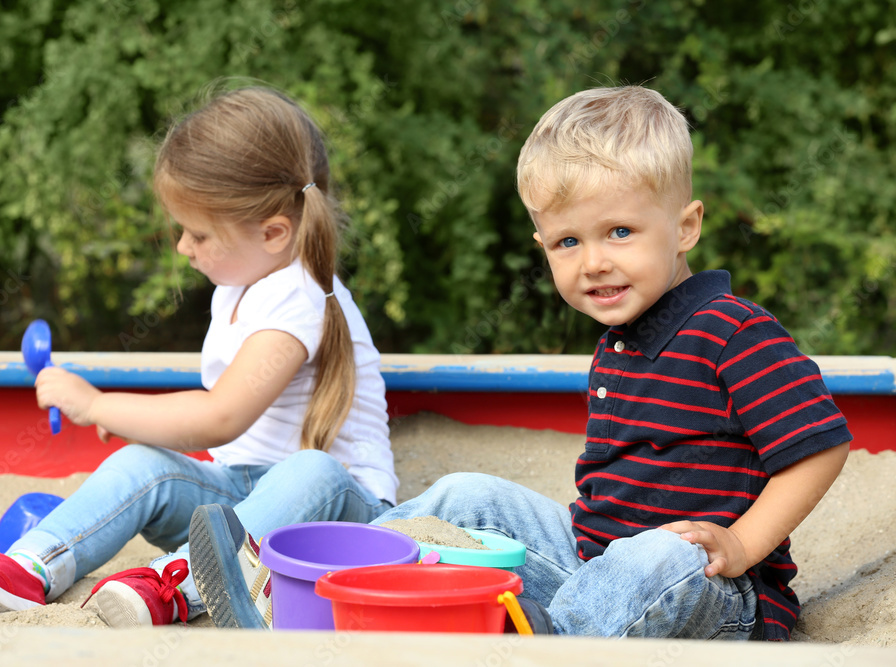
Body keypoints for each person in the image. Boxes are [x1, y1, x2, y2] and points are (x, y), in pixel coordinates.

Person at [188, 85, 851, 640]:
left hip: (715, 587)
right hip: (589, 563)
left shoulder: (733, 331)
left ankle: (539, 641)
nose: (594, 260)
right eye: (568, 241)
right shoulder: (620, 341)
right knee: (465, 492)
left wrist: (740, 545)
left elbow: (819, 447)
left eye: (620, 231)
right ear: (542, 245)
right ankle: (316, 587)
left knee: (659, 552)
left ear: (685, 226)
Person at [0, 86, 398, 628]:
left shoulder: (299, 295)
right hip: (244, 498)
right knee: (141, 463)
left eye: (198, 234)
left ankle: (177, 584)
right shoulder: (239, 287)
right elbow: (214, 439)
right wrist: (137, 425)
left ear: (273, 232)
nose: (181, 247)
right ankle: (30, 567)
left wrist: (99, 405)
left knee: (312, 471)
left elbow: (219, 417)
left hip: (344, 521)